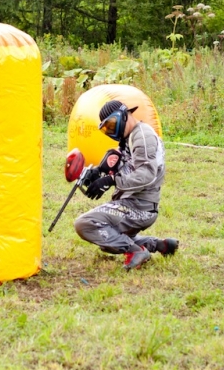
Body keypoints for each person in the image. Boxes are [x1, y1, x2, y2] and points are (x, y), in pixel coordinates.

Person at [73, 100, 178, 270]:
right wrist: (98, 172)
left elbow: (146, 174)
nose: (112, 131)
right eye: (107, 129)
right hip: (134, 205)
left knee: (85, 224)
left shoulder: (143, 136)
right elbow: (123, 166)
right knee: (108, 239)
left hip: (139, 208)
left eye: (112, 125)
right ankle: (159, 245)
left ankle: (136, 251)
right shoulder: (129, 138)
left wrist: (112, 180)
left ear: (124, 115)